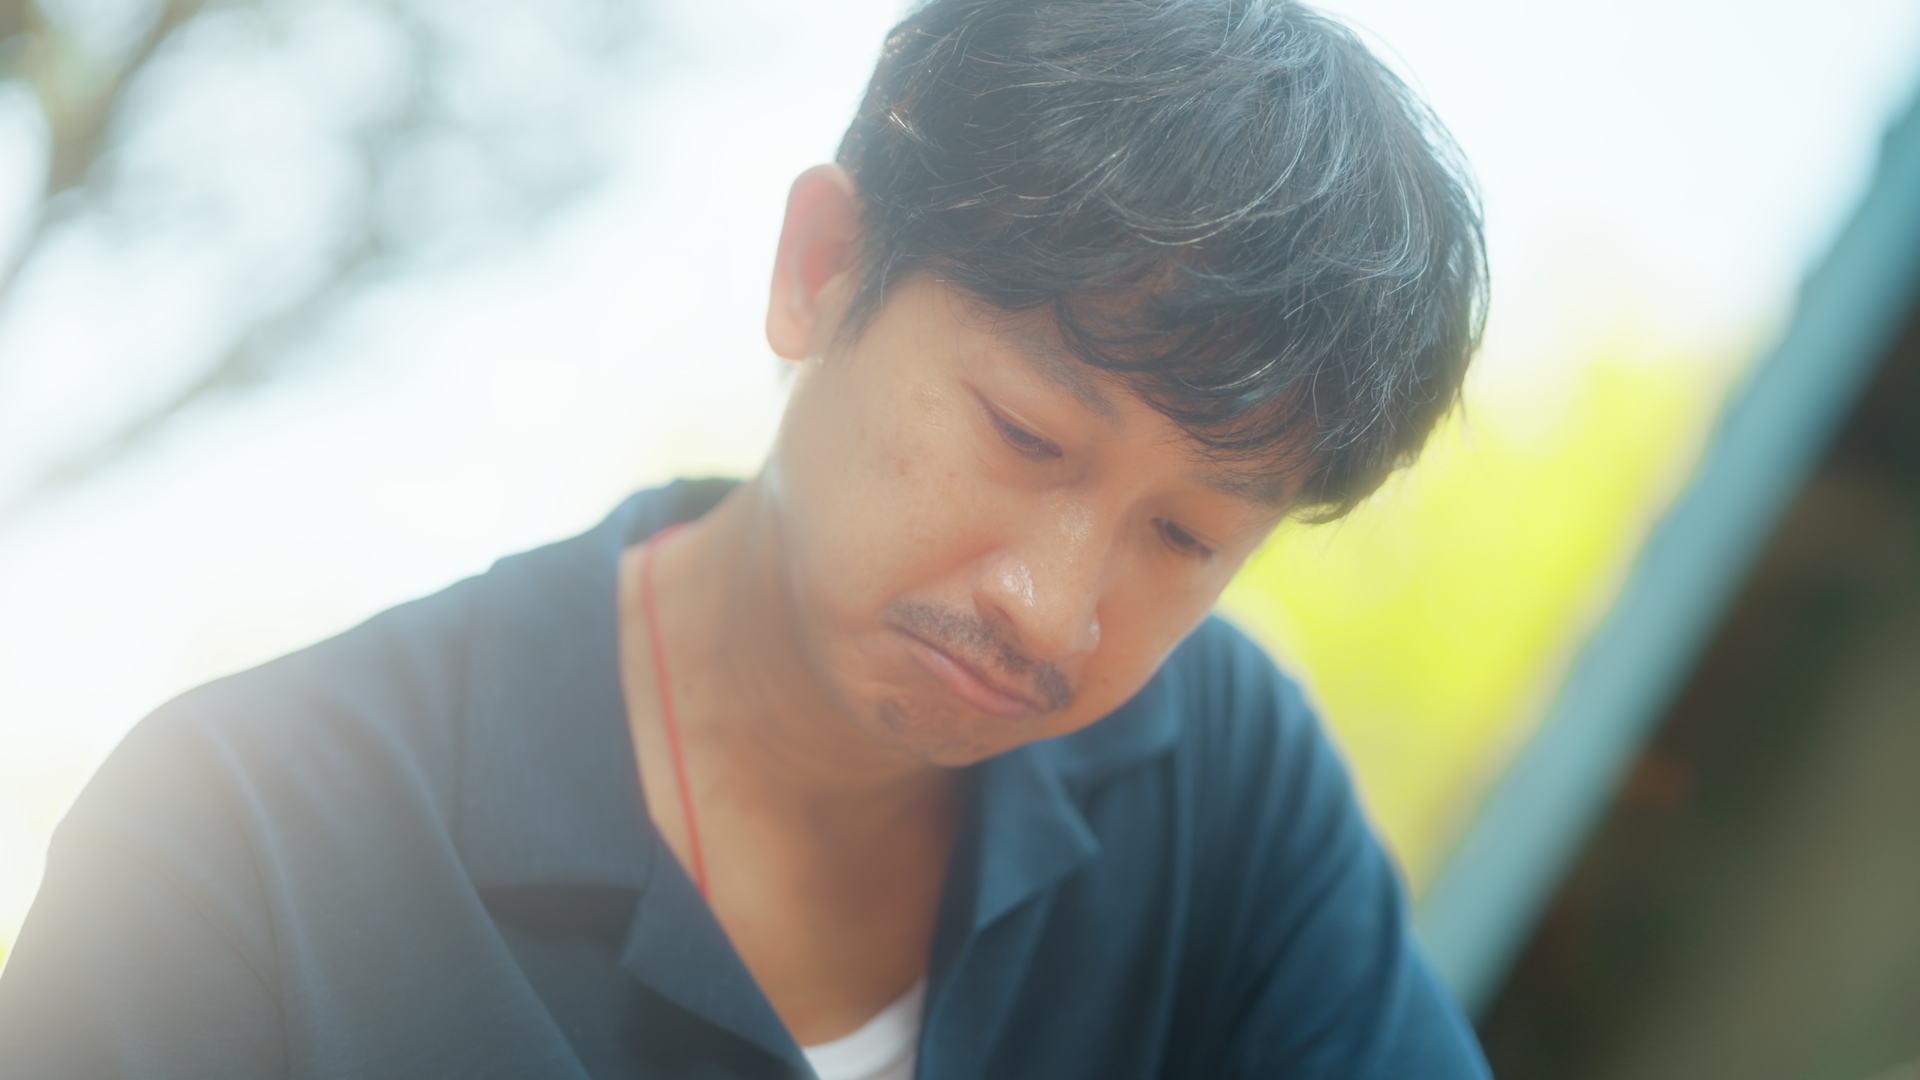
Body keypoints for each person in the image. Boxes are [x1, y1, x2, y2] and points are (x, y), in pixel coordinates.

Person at [0, 0, 1491, 1076]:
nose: (1049, 610)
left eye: (1183, 535)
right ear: (821, 270)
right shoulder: (238, 846)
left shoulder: (1218, 774)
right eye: (1027, 435)